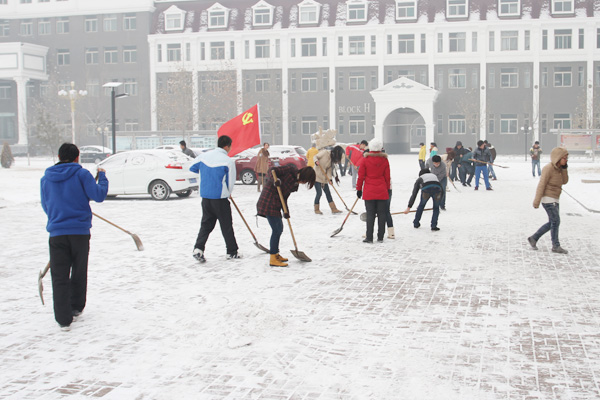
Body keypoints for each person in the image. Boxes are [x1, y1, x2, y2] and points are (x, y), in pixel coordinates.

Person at [40, 143, 109, 330]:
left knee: (59, 275)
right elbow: (99, 195)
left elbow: (46, 205)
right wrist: (102, 176)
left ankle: (63, 318)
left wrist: (57, 216)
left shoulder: (46, 178)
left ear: (59, 156)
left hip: (57, 233)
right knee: (79, 270)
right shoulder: (82, 174)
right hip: (79, 232)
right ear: (77, 157)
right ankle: (76, 307)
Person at [189, 135, 241, 262]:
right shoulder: (227, 161)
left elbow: (192, 167)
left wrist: (206, 175)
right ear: (227, 146)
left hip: (206, 197)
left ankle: (198, 248)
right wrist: (228, 193)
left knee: (206, 224)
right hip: (220, 199)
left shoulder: (203, 157)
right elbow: (230, 181)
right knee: (226, 225)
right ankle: (232, 252)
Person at [256, 164, 316, 267]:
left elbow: (284, 197)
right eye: (306, 181)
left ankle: (275, 253)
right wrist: (275, 180)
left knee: (279, 228)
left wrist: (286, 211)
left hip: (276, 204)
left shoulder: (294, 184)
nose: (304, 183)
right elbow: (272, 170)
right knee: (276, 230)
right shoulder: (291, 169)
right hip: (268, 202)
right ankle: (273, 258)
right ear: (304, 176)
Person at [528, 147, 569, 254]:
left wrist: (564, 168)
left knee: (553, 222)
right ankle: (556, 245)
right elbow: (541, 185)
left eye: (567, 158)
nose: (566, 160)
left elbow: (565, 181)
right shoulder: (548, 168)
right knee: (556, 221)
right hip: (548, 199)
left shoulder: (560, 168)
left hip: (555, 198)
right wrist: (536, 201)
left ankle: (534, 238)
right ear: (558, 158)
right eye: (564, 158)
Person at [356, 138, 390, 243]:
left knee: (370, 215)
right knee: (382, 214)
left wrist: (359, 189)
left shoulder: (365, 160)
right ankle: (380, 236)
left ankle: (369, 237)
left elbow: (360, 176)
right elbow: (387, 177)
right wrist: (387, 189)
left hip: (369, 190)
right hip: (382, 190)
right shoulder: (384, 160)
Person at [313, 145, 344, 214]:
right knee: (319, 193)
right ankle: (316, 209)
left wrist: (330, 179)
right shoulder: (324, 153)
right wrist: (316, 161)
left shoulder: (331, 160)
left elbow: (329, 170)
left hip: (324, 178)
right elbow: (315, 156)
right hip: (316, 176)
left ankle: (333, 208)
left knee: (328, 193)